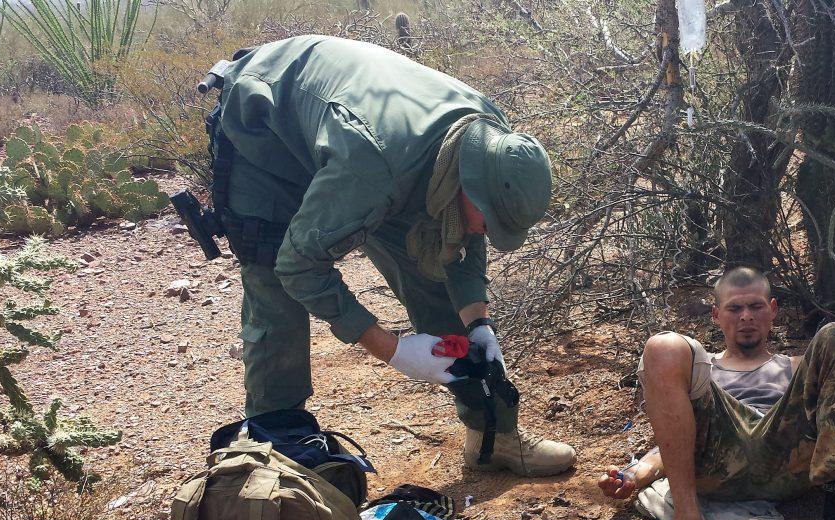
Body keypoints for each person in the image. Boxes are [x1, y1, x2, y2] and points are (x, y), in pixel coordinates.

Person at [210, 35, 575, 476]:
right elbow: (299, 265)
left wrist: (477, 324)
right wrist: (394, 350)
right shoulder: (375, 167)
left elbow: (465, 237)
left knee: (438, 276)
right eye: (490, 219)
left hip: (361, 139)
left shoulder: (488, 140)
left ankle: (492, 437)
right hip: (263, 132)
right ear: (469, 185)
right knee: (277, 293)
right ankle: (278, 464)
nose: (486, 231)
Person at [596, 267, 835, 520]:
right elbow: (674, 441)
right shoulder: (696, 369)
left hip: (787, 456)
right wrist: (637, 475)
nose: (746, 316)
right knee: (663, 346)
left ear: (772, 310)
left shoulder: (799, 366)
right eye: (735, 308)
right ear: (716, 315)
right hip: (717, 462)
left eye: (756, 306)